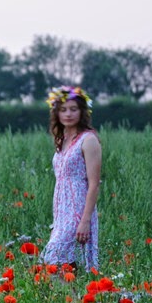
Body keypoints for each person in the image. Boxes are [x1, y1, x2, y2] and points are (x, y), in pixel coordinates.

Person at [40, 86, 102, 272]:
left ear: (82, 112)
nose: (68, 114)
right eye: (63, 109)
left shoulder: (88, 140)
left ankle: (75, 298)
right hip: (61, 211)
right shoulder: (62, 139)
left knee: (54, 260)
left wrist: (85, 220)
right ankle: (72, 299)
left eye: (73, 109)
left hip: (78, 210)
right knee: (63, 265)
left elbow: (93, 184)